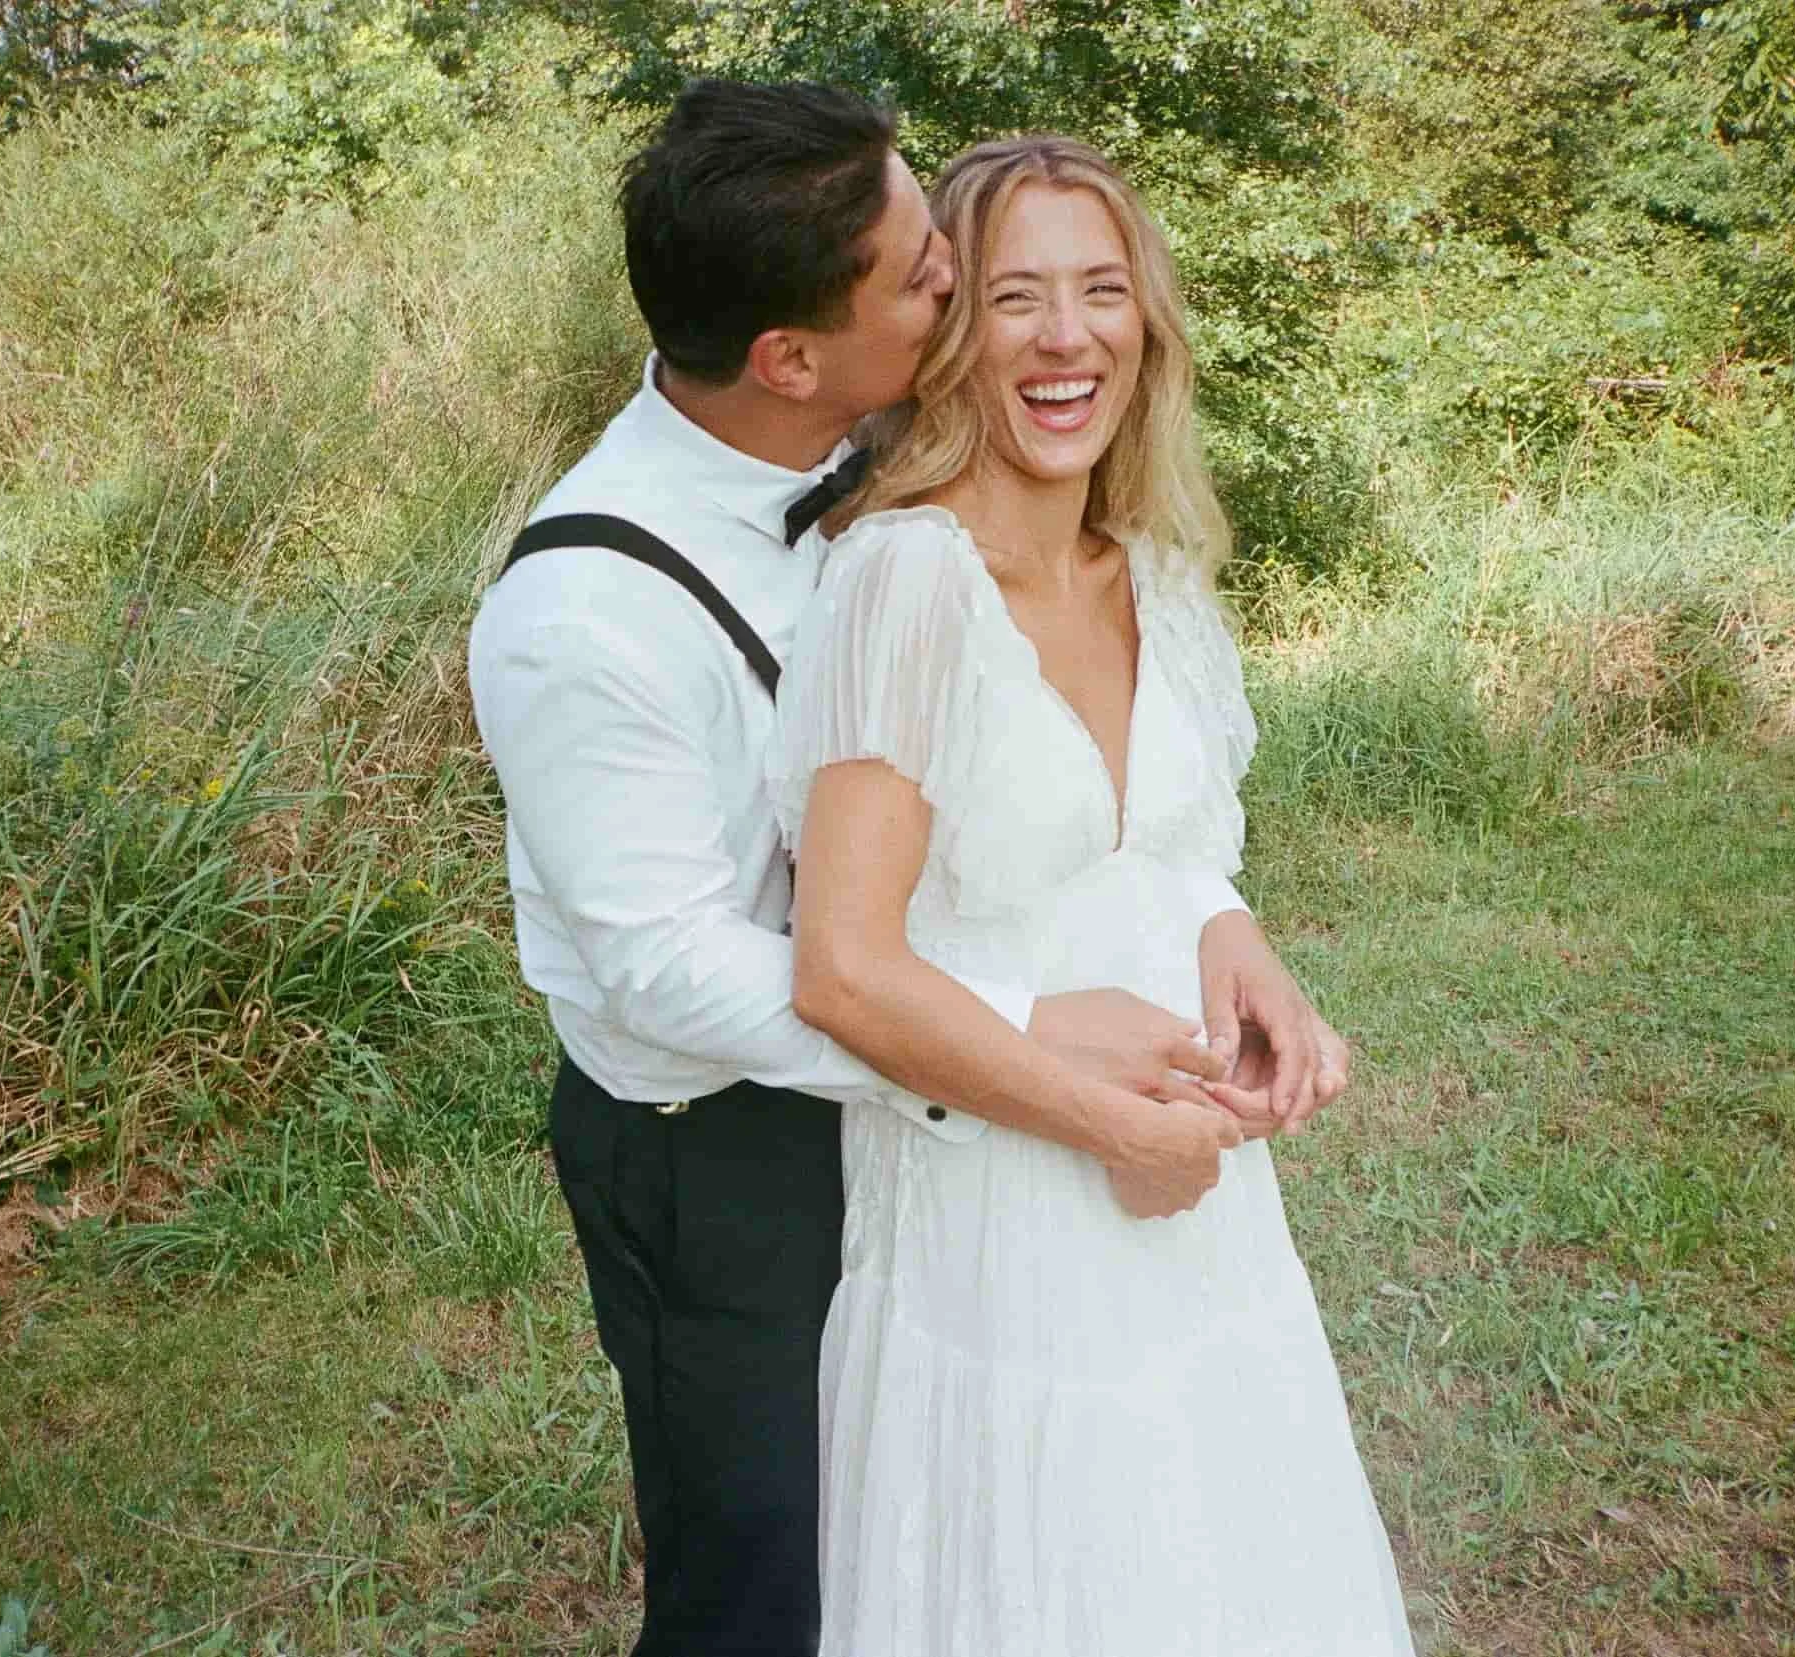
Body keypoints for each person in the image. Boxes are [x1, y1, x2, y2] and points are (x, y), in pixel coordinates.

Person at [467, 84, 1353, 1656]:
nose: (960, 288)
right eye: (937, 275)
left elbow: (1126, 807)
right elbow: (678, 966)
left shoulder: (965, 469)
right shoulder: (581, 617)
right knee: (771, 1573)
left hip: (975, 1082)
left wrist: (1217, 931)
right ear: (790, 358)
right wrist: (1032, 1037)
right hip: (714, 1133)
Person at [775, 135, 1417, 1655]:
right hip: (1000, 1211)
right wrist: (1111, 1126)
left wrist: (1242, 948)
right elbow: (844, 971)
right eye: (1014, 298)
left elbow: (1162, 845)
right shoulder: (903, 586)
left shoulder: (1157, 575)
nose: (1067, 338)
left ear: (1150, 323)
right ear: (949, 338)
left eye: (1101, 292)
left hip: (1193, 1193)